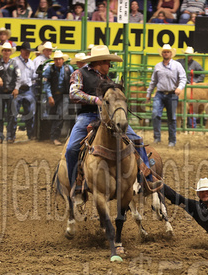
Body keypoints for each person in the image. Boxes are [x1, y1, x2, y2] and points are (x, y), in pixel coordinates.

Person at [67, 45, 157, 203]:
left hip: (110, 118)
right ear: (100, 62)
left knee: (137, 140)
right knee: (72, 148)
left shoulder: (108, 80)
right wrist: (95, 100)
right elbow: (74, 93)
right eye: (108, 62)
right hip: (88, 115)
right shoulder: (79, 74)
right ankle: (76, 183)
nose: (110, 66)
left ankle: (146, 178)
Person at [146, 44, 186, 147]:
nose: (166, 53)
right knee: (155, 114)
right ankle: (157, 137)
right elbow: (153, 81)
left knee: (172, 118)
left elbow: (183, 78)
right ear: (162, 54)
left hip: (172, 94)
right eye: (164, 52)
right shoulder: (158, 66)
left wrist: (179, 88)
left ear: (171, 54)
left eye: (168, 52)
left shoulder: (177, 65)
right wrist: (148, 93)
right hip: (160, 93)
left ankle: (172, 140)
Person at [0, 42, 21, 144]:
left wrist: (16, 88)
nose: (6, 52)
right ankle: (0, 135)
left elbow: (19, 77)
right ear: (2, 52)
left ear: (10, 52)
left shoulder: (14, 64)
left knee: (12, 115)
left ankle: (10, 135)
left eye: (8, 50)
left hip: (10, 92)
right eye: (5, 50)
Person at [41, 50, 73, 145]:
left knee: (61, 114)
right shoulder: (49, 70)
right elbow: (46, 84)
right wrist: (50, 96)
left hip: (64, 95)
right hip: (54, 95)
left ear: (63, 60)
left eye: (60, 59)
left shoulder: (69, 69)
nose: (58, 61)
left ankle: (55, 136)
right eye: (56, 59)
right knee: (53, 114)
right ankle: (53, 135)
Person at [12, 42, 36, 141]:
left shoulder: (31, 63)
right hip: (17, 89)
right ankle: (11, 135)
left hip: (28, 89)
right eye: (25, 51)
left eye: (28, 51)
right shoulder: (14, 61)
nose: (27, 53)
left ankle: (30, 134)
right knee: (13, 113)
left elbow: (33, 76)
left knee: (30, 112)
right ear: (21, 51)